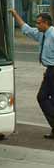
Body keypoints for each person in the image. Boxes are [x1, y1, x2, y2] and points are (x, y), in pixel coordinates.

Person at [11, 9, 54, 139]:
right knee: (47, 99)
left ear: (45, 23)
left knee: (42, 97)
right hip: (50, 71)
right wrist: (15, 14)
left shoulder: (53, 35)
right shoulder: (42, 33)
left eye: (38, 23)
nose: (36, 25)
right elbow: (26, 29)